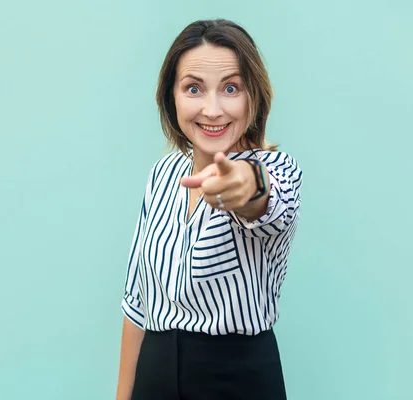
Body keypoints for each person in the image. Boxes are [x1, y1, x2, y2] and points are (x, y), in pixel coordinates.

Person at [115, 19, 303, 400]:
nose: (212, 109)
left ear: (254, 96)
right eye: (194, 88)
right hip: (154, 376)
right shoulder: (163, 173)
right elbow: (137, 301)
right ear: (172, 96)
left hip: (238, 381)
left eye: (231, 88)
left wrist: (243, 187)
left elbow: (264, 198)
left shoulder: (278, 170)